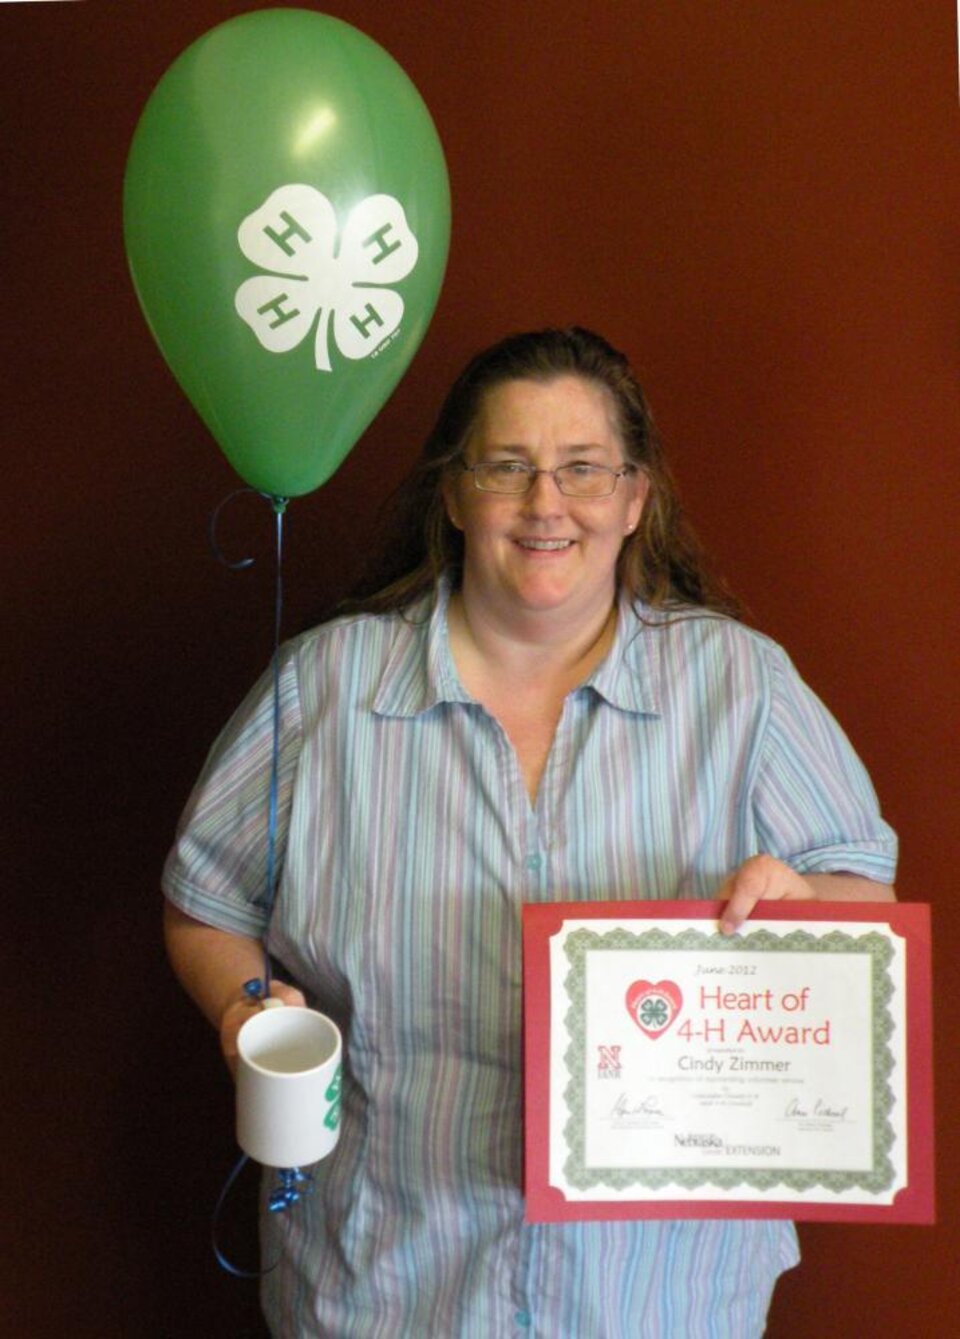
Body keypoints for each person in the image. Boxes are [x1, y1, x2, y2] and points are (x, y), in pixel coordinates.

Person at [163, 327, 896, 1337]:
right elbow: (205, 901)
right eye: (508, 466)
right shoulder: (326, 688)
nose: (547, 502)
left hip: (661, 1293)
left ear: (635, 498)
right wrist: (245, 1010)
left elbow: (867, 907)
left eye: (584, 469)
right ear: (455, 495)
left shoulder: (744, 687)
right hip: (385, 1284)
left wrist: (806, 910)